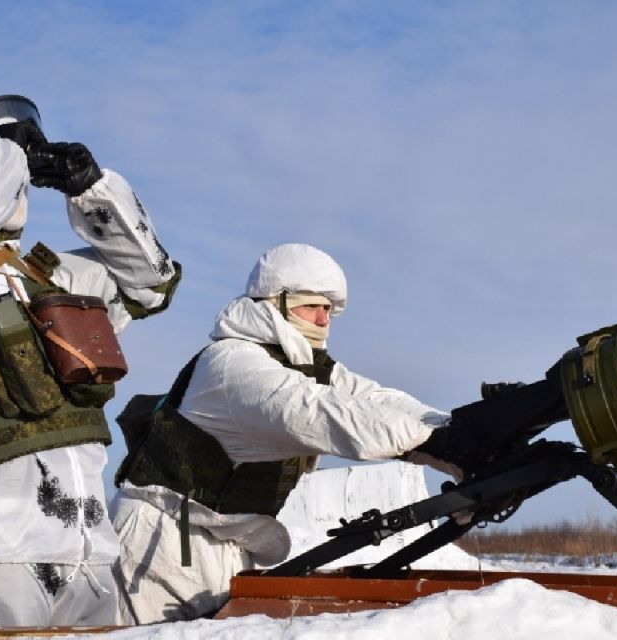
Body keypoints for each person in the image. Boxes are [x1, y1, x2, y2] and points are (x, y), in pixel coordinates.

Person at [0, 96, 180, 627]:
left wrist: (92, 188)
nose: (17, 160)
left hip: (91, 562)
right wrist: (2, 150)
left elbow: (152, 285)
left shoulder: (51, 278)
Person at [110, 242, 452, 624]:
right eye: (311, 306)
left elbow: (372, 399)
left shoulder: (303, 367)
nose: (322, 320)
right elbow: (318, 412)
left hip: (225, 538)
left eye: (328, 310)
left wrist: (456, 429)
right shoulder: (232, 364)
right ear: (277, 303)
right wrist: (432, 441)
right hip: (166, 538)